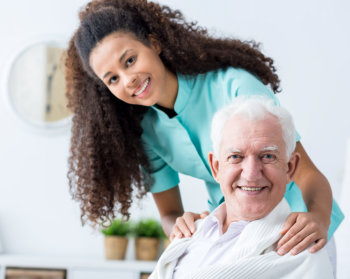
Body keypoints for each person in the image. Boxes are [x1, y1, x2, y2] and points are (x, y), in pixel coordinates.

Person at [65, 0, 343, 257]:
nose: (128, 80)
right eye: (112, 78)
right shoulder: (146, 132)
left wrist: (318, 217)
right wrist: (181, 224)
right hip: (235, 238)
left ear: (153, 44)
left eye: (130, 60)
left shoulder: (234, 87)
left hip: (298, 231)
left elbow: (308, 175)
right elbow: (169, 213)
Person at [149, 97, 334, 279]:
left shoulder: (304, 254)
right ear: (216, 167)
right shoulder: (191, 234)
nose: (251, 174)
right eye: (236, 156)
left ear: (290, 168)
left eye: (268, 156)